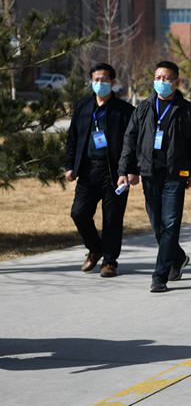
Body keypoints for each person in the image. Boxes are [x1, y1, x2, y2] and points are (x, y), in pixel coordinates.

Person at [117, 60, 191, 292]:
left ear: (176, 82)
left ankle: (160, 276)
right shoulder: (144, 108)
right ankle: (178, 257)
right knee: (157, 226)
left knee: (170, 225)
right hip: (149, 174)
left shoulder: (188, 111)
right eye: (158, 78)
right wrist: (125, 170)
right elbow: (129, 141)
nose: (161, 82)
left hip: (176, 176)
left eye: (166, 78)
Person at [64, 63, 134, 278]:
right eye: (96, 80)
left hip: (114, 173)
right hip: (87, 171)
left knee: (112, 219)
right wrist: (69, 166)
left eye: (104, 80)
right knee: (79, 213)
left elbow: (132, 144)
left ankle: (110, 261)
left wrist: (130, 170)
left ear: (112, 82)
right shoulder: (82, 106)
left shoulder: (125, 110)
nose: (99, 83)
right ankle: (95, 249)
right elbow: (73, 138)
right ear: (91, 82)